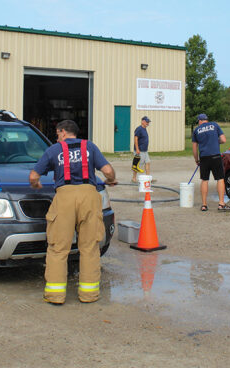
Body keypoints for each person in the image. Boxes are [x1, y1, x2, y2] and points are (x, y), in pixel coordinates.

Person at [29, 119, 117, 305]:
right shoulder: (90, 147)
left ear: (62, 132)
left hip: (64, 197)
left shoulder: (54, 150)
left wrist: (36, 184)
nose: (57, 136)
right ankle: (89, 295)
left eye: (57, 133)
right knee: (90, 247)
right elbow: (108, 170)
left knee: (58, 247)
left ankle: (55, 295)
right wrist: (111, 180)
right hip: (89, 197)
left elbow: (33, 176)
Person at [192, 113, 230, 212]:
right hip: (215, 156)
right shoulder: (215, 125)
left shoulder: (196, 130)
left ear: (200, 121)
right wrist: (216, 141)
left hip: (204, 157)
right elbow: (223, 140)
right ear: (207, 120)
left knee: (204, 180)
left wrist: (196, 160)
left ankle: (204, 205)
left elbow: (194, 148)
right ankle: (221, 203)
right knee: (220, 179)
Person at [132, 116, 151, 182]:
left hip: (145, 151)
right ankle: (134, 178)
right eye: (146, 122)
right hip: (140, 151)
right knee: (137, 165)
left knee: (148, 162)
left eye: (148, 122)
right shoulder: (139, 129)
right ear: (142, 121)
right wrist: (137, 149)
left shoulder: (144, 129)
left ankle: (148, 178)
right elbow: (136, 138)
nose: (147, 123)